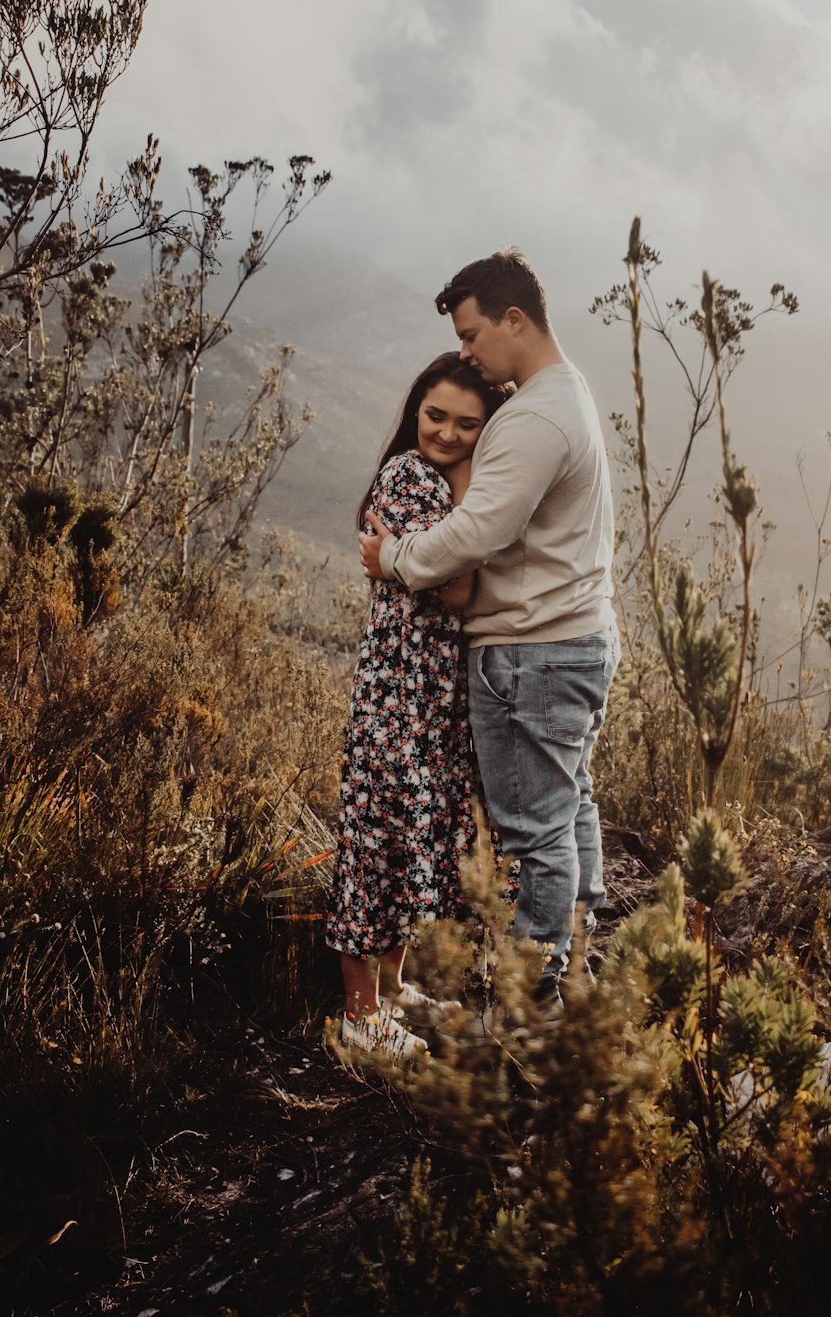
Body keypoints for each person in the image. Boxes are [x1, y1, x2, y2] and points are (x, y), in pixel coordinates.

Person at [360, 249, 619, 1006]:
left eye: (473, 334)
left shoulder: (536, 417)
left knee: (535, 828)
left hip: (532, 652)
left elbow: (474, 533)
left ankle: (531, 997)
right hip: (572, 637)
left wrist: (393, 556)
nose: (467, 352)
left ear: (515, 319)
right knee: (569, 805)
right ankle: (573, 970)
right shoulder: (566, 396)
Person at [326, 352, 509, 1057]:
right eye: (436, 416)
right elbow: (457, 589)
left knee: (408, 842)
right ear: (414, 412)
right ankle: (359, 1015)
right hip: (396, 692)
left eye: (468, 425)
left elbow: (448, 565)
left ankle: (394, 988)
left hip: (431, 695)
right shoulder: (407, 477)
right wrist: (466, 500)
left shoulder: (443, 484)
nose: (448, 433)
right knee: (373, 848)